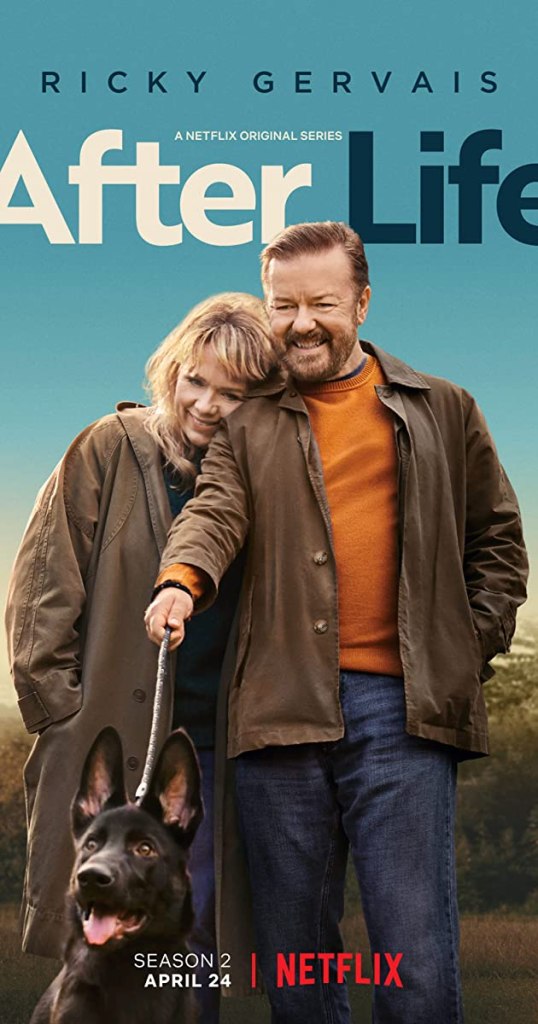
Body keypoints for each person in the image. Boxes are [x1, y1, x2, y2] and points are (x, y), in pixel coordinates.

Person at [145, 222, 528, 1023]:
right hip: (281, 711)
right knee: (298, 964)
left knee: (414, 956)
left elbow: (497, 541)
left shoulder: (444, 408)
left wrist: (463, 651)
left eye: (321, 303)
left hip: (404, 713)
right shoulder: (248, 424)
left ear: (362, 302)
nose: (301, 323)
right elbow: (212, 513)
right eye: (284, 306)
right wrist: (181, 581)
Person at [5, 292, 278, 1024]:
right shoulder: (109, 447)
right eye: (196, 380)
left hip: (213, 748)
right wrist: (61, 713)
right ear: (171, 371)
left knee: (191, 935)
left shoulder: (262, 476)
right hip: (108, 738)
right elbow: (42, 588)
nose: (207, 405)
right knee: (99, 932)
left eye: (232, 393)